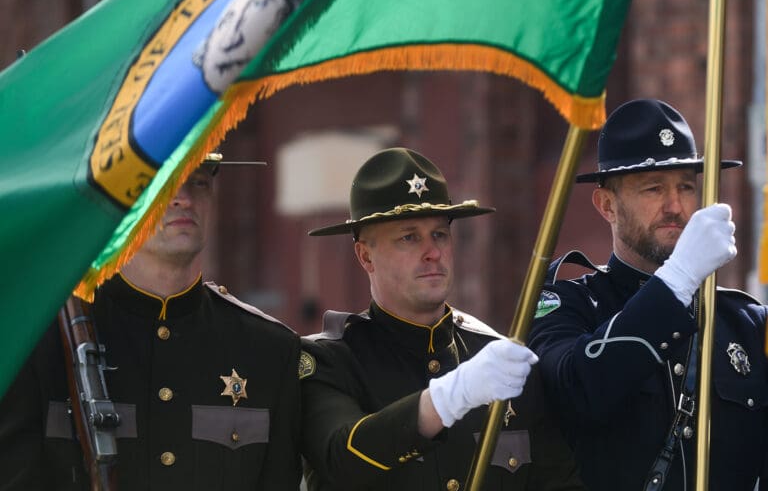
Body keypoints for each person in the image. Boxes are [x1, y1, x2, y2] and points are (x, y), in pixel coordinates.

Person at [0, 154, 302, 490]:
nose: (184, 198)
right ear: (121, 200)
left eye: (199, 183)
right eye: (162, 183)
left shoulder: (268, 351)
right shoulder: (42, 338)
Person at [299, 147, 584, 490]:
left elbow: (559, 482)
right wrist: (449, 397)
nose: (432, 252)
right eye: (409, 237)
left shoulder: (497, 360)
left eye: (439, 234)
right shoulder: (329, 361)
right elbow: (341, 457)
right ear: (365, 256)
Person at [528, 99, 768, 490]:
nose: (675, 206)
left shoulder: (746, 324)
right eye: (654, 188)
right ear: (607, 204)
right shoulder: (566, 307)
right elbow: (580, 392)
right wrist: (678, 280)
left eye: (687, 187)